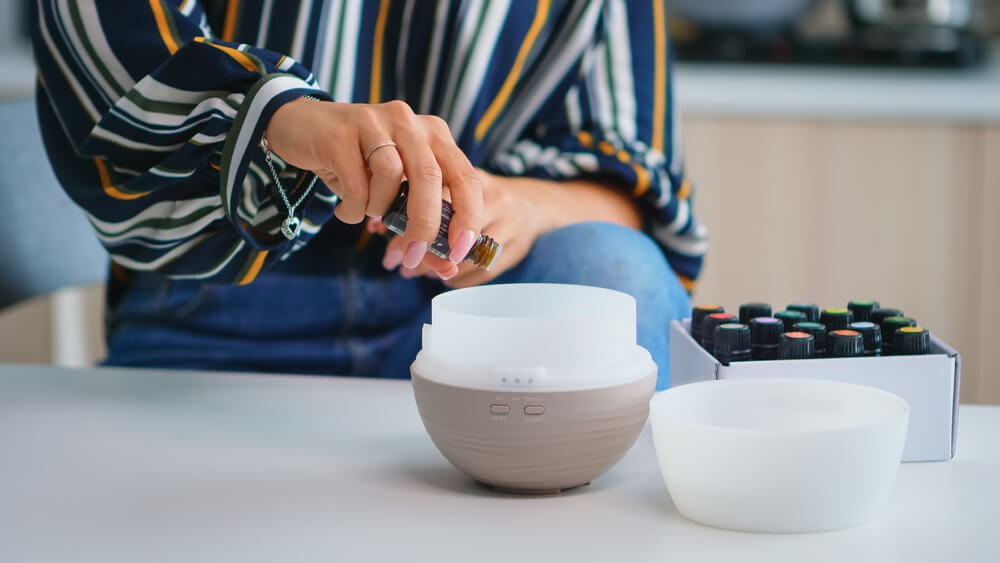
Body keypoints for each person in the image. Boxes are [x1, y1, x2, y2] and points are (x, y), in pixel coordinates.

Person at [32, 0, 705, 389]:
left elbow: (634, 191)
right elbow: (102, 56)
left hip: (475, 322)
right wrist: (278, 118)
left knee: (615, 271)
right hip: (211, 302)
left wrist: (526, 207)